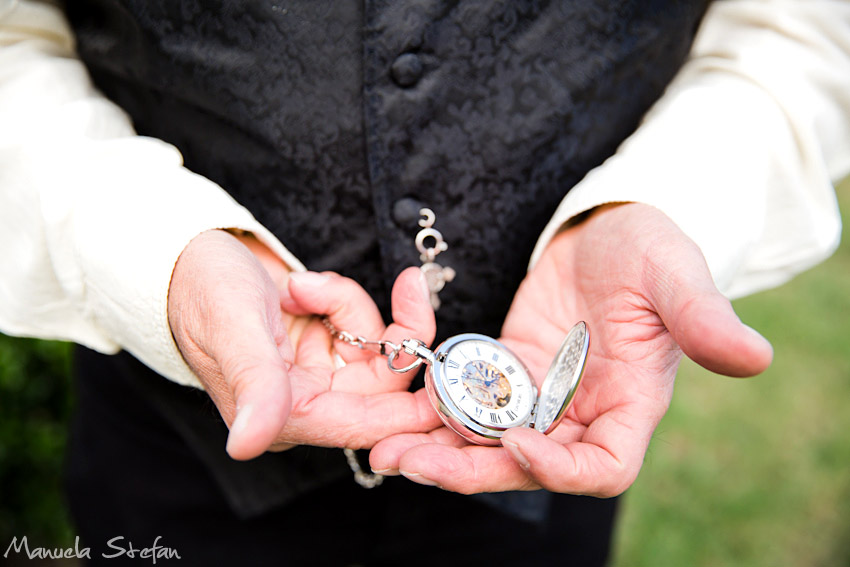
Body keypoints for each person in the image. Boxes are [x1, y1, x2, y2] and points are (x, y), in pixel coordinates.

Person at [1, 0, 848, 565]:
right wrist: (158, 251)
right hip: (176, 465)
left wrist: (667, 199)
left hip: (546, 478)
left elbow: (804, 29)